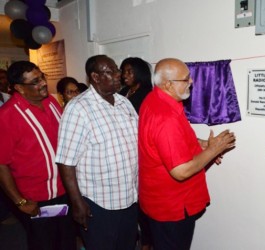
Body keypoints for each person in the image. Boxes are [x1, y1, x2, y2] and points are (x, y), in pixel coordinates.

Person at [138, 58, 236, 250]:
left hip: (159, 201)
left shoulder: (156, 99)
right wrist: (213, 149)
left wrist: (203, 145)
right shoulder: (165, 116)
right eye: (186, 79)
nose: (191, 82)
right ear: (168, 84)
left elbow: (173, 142)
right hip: (171, 206)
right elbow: (180, 171)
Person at [56, 55, 139, 250]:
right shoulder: (78, 108)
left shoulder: (123, 102)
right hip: (98, 204)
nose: (119, 75)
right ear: (95, 76)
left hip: (129, 197)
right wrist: (77, 203)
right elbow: (66, 161)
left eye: (117, 69)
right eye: (111, 71)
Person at [0, 61, 76, 250]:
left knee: (66, 242)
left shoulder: (50, 102)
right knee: (45, 244)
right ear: (19, 88)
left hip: (65, 191)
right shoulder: (7, 115)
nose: (43, 83)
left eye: (42, 77)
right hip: (36, 200)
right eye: (35, 81)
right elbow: (1, 165)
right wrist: (20, 202)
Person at [119, 57, 153, 250]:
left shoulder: (148, 94)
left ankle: (147, 242)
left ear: (140, 72)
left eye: (129, 71)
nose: (125, 75)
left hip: (142, 153)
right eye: (123, 71)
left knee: (144, 201)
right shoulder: (123, 92)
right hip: (125, 152)